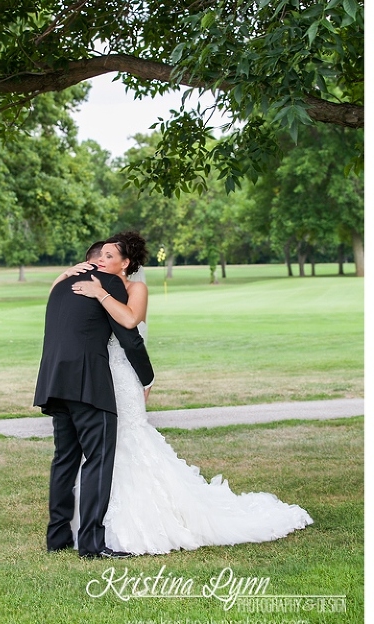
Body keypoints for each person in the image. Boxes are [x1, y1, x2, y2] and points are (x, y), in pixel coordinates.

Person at [71, 231, 313, 555]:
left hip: (124, 375)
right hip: (101, 375)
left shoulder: (133, 290)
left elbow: (130, 332)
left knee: (130, 438)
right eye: (100, 258)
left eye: (109, 256)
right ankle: (93, 524)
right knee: (105, 442)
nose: (101, 261)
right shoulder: (102, 288)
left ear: (126, 263)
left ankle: (138, 523)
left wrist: (145, 378)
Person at [33, 242, 154, 559]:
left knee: (65, 461)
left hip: (53, 380)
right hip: (87, 383)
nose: (104, 262)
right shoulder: (107, 282)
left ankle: (57, 538)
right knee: (98, 461)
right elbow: (129, 335)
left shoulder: (61, 285)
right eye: (103, 257)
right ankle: (91, 544)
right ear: (95, 263)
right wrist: (148, 376)